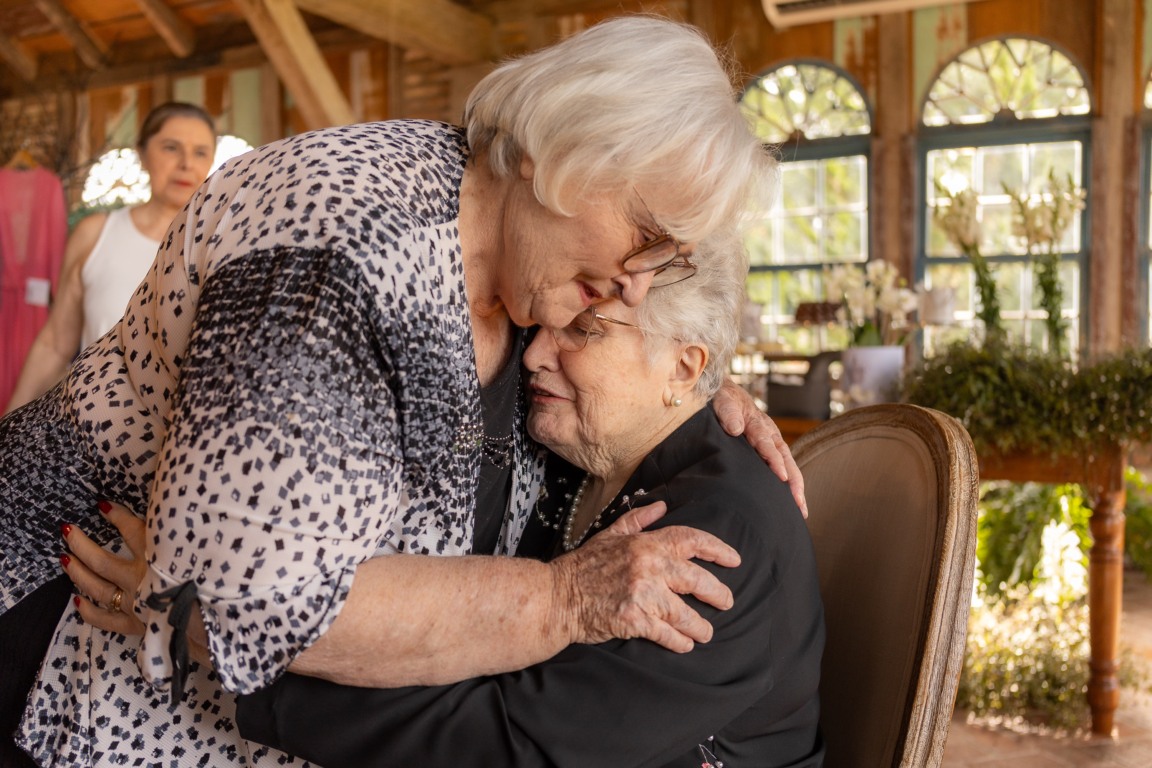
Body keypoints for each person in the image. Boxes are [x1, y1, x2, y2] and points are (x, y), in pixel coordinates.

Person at [2, 15, 801, 767]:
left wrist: (703, 403)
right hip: (84, 674)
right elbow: (244, 602)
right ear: (557, 153)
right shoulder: (336, 244)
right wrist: (562, 601)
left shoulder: (535, 273)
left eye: (670, 257)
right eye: (647, 237)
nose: (637, 285)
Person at [69, 239, 825, 767]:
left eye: (583, 332)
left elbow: (508, 747)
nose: (532, 353)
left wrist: (234, 639)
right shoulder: (569, 453)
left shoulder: (714, 543)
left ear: (683, 365)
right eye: (541, 325)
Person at [4, 102, 217, 413]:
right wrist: (7, 427)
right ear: (142, 154)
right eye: (171, 148)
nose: (186, 163)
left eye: (200, 152)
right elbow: (55, 343)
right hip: (93, 434)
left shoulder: (220, 246)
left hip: (186, 442)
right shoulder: (96, 233)